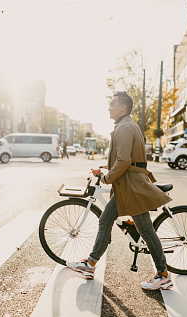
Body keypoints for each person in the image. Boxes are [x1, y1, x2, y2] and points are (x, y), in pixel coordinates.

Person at [66, 92, 173, 290]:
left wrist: (107, 177)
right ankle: (90, 264)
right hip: (127, 185)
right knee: (106, 220)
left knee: (145, 229)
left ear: (122, 107)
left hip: (131, 187)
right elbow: (126, 160)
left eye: (112, 104)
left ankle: (163, 274)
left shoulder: (124, 127)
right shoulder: (126, 125)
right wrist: (107, 169)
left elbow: (124, 161)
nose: (109, 108)